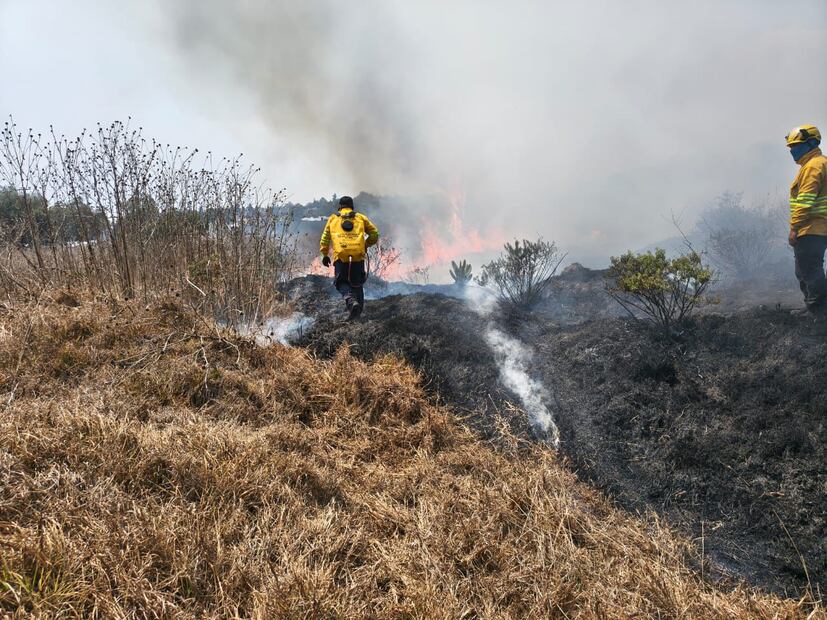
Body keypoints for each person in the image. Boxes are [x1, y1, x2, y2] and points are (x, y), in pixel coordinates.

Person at [786, 125, 827, 315]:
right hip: (820, 227)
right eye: (791, 147)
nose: (792, 150)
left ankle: (818, 310)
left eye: (796, 146)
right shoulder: (820, 163)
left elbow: (805, 200)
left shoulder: (813, 166)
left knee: (809, 270)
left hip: (811, 228)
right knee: (808, 269)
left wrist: (794, 227)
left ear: (811, 143)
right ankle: (816, 307)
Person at [319, 196, 380, 320]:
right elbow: (375, 234)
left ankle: (351, 301)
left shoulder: (333, 219)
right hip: (358, 256)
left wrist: (324, 254)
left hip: (341, 257)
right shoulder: (360, 218)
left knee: (341, 282)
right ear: (352, 206)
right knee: (357, 283)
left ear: (340, 207)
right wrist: (365, 245)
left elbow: (325, 238)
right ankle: (357, 312)